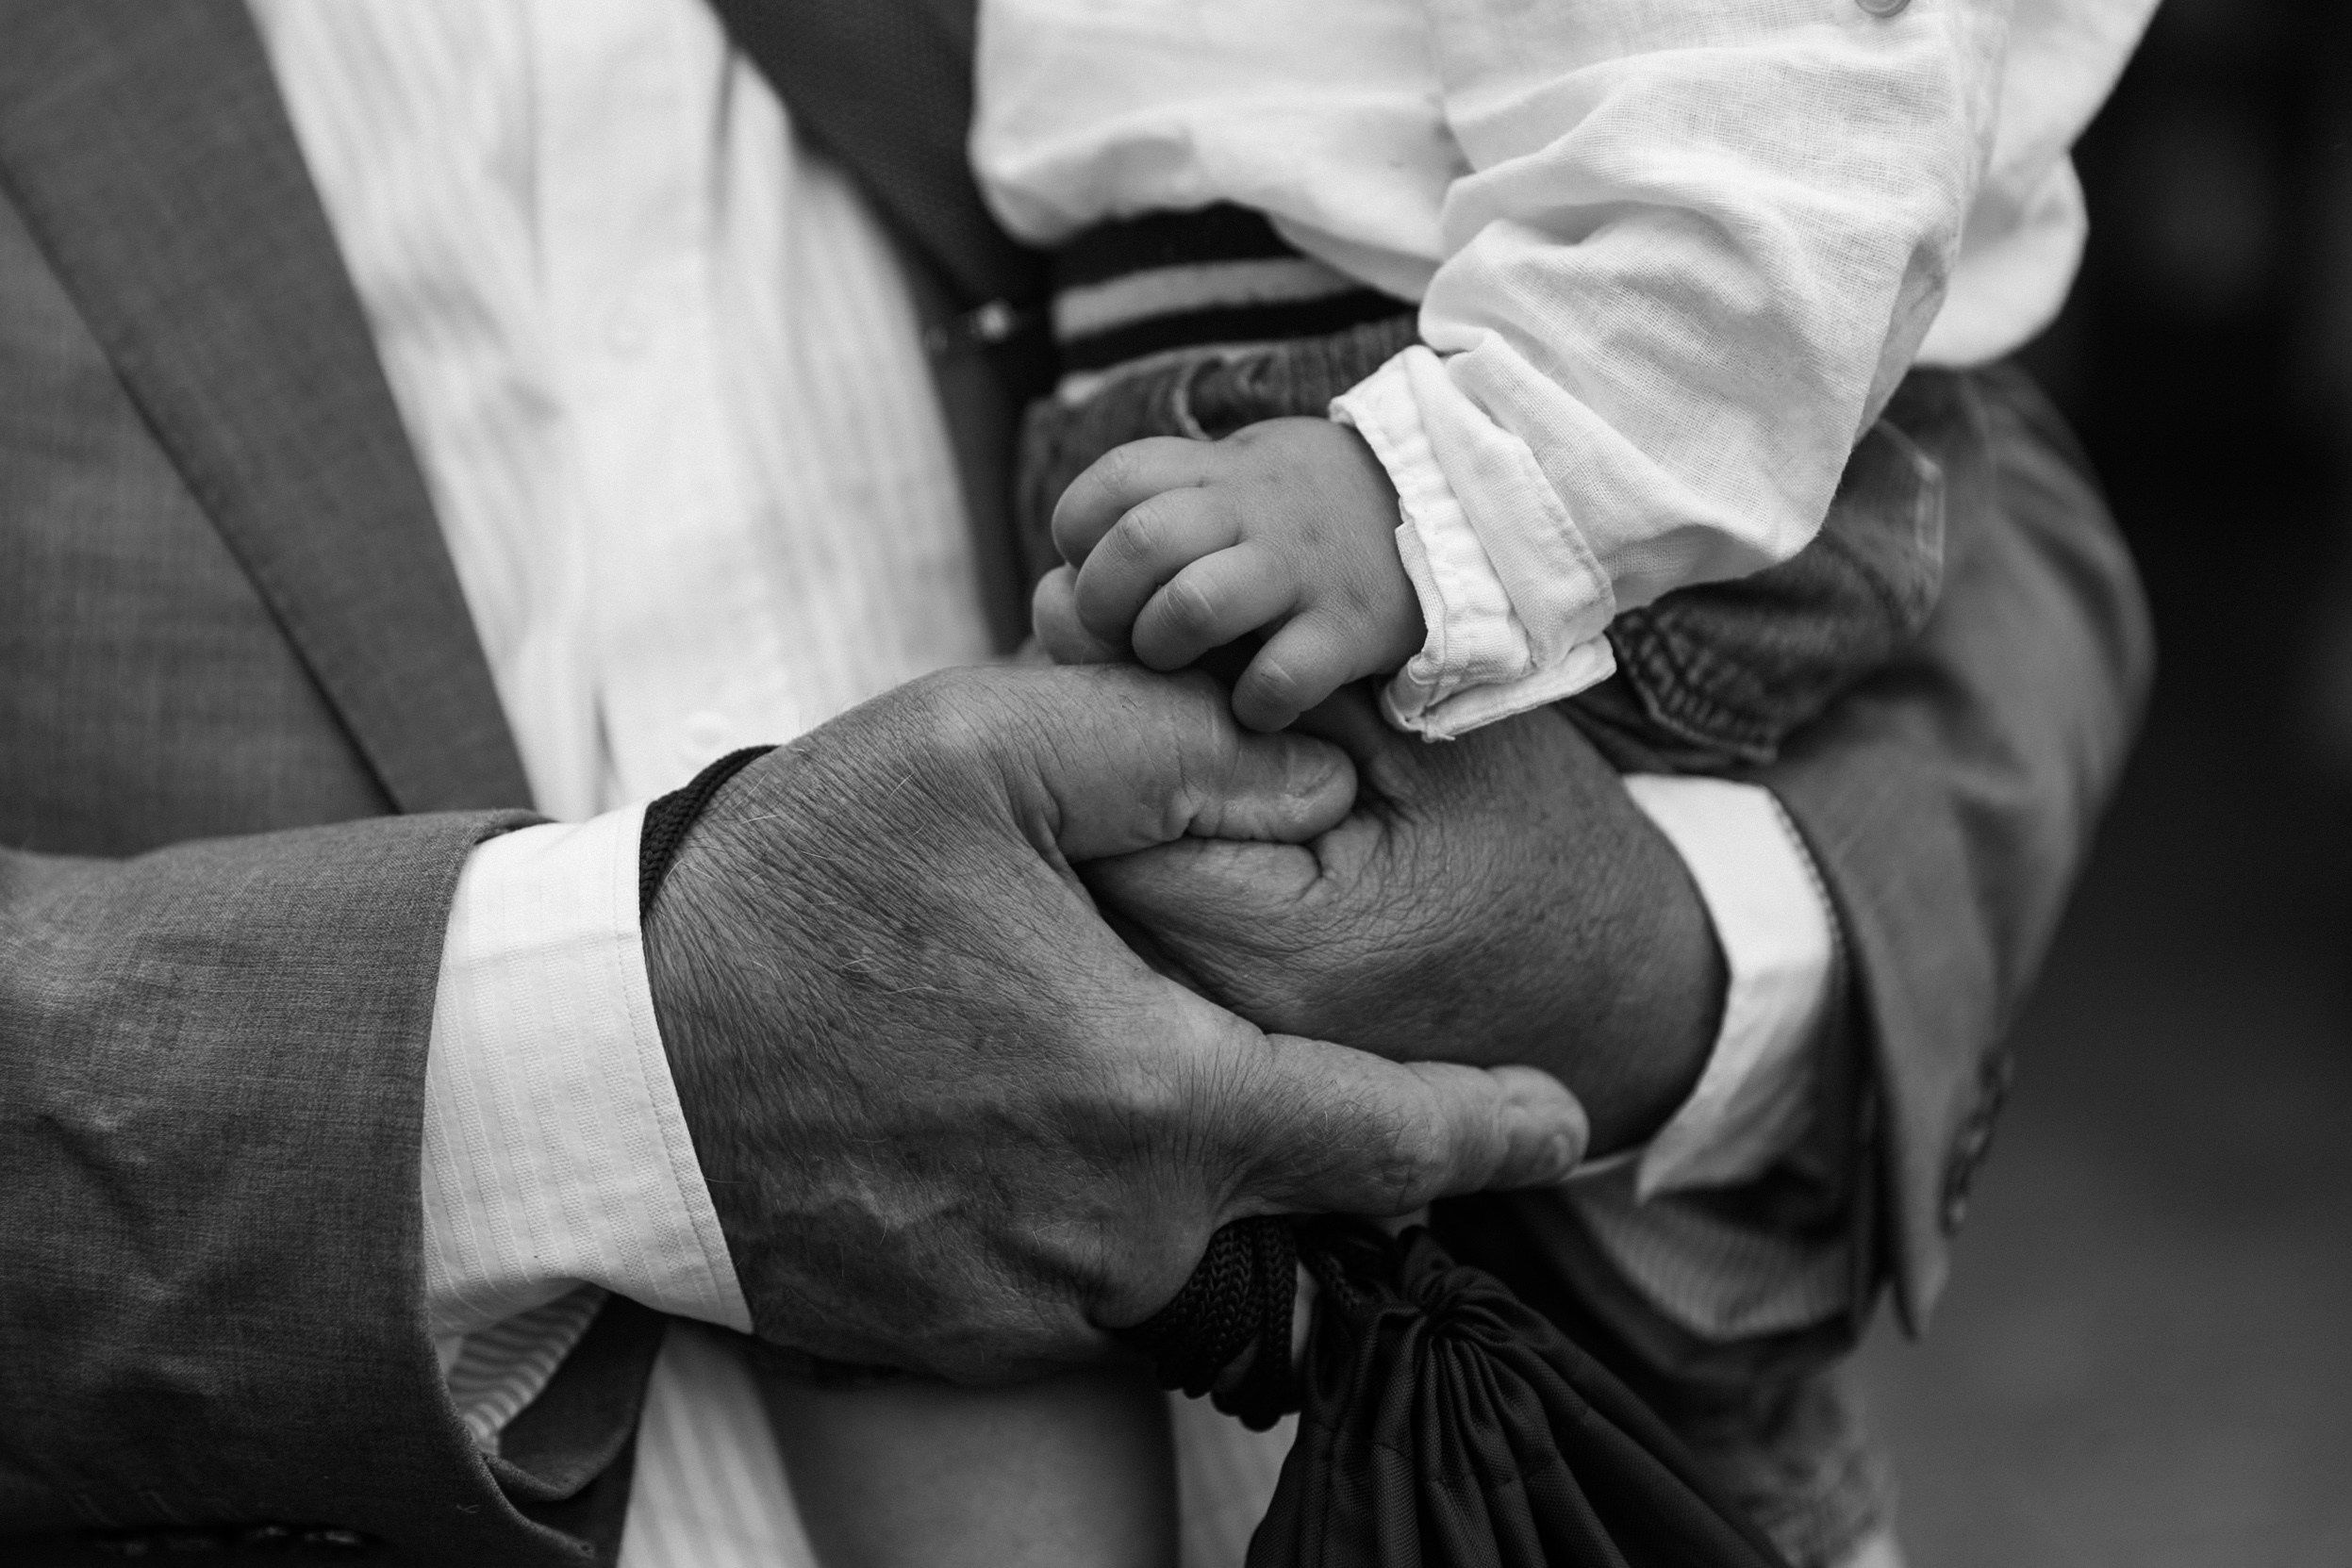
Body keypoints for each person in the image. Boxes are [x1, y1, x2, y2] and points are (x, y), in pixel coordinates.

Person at [0, 6, 2149, 1568]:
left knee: (1567, 1393)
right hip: (1241, 531)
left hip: (1422, 519)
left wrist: (1676, 954)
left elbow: (1937, 425)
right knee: (962, 1172)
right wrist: (615, 1069)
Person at [763, 1, 2166, 1563]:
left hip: (1508, 433)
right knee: (948, 1131)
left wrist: (1427, 490)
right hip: (1321, 442)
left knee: (967, 1110)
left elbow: (1796, 134)